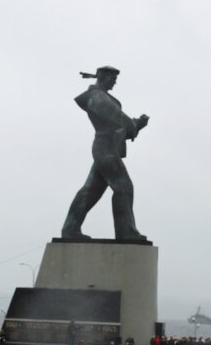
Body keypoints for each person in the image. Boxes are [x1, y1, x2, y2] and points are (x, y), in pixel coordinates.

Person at [61, 66, 150, 241]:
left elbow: (118, 119)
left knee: (91, 190)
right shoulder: (97, 97)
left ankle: (70, 229)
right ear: (102, 77)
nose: (114, 82)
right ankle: (126, 233)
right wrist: (135, 124)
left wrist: (134, 124)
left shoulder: (100, 96)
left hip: (107, 146)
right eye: (112, 78)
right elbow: (116, 118)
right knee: (123, 187)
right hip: (106, 147)